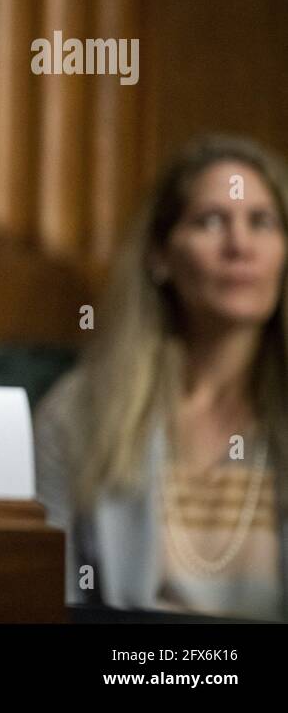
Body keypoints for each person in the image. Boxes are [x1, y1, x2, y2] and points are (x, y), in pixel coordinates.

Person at [36, 134, 288, 620]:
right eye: (210, 221)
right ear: (160, 256)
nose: (239, 245)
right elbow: (46, 601)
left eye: (262, 222)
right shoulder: (79, 413)